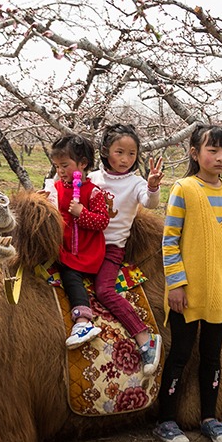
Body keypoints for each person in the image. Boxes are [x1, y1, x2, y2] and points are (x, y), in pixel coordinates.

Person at [152, 124, 222, 442]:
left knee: (212, 357)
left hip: (219, 294)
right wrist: (175, 284)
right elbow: (170, 242)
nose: (220, 158)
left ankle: (209, 417)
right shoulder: (184, 189)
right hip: (187, 294)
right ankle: (166, 420)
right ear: (195, 153)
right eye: (213, 150)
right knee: (179, 354)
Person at [88, 123, 166, 375]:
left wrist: (152, 186)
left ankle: (144, 337)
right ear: (104, 151)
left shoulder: (135, 183)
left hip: (112, 249)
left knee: (104, 290)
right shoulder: (92, 178)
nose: (125, 159)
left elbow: (150, 202)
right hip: (87, 245)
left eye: (131, 154)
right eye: (119, 152)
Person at [45, 134, 109, 349]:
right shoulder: (58, 188)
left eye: (65, 165)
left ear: (83, 164)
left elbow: (102, 221)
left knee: (70, 275)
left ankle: (83, 320)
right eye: (57, 166)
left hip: (85, 250)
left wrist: (82, 213)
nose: (60, 171)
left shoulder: (93, 192)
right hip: (64, 245)